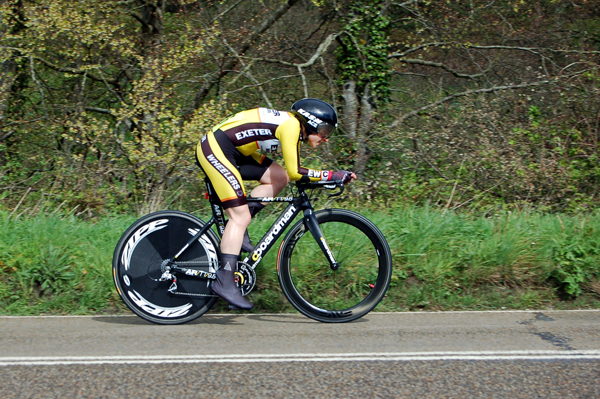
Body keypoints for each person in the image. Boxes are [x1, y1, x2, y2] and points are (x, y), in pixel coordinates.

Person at [196, 98, 357, 310]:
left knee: (279, 177)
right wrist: (333, 175)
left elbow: (288, 175)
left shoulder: (293, 128)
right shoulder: (291, 127)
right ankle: (225, 279)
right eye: (325, 131)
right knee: (239, 216)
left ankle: (240, 229)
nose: (326, 138)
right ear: (310, 122)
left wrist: (326, 177)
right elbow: (296, 172)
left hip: (232, 150)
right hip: (216, 149)